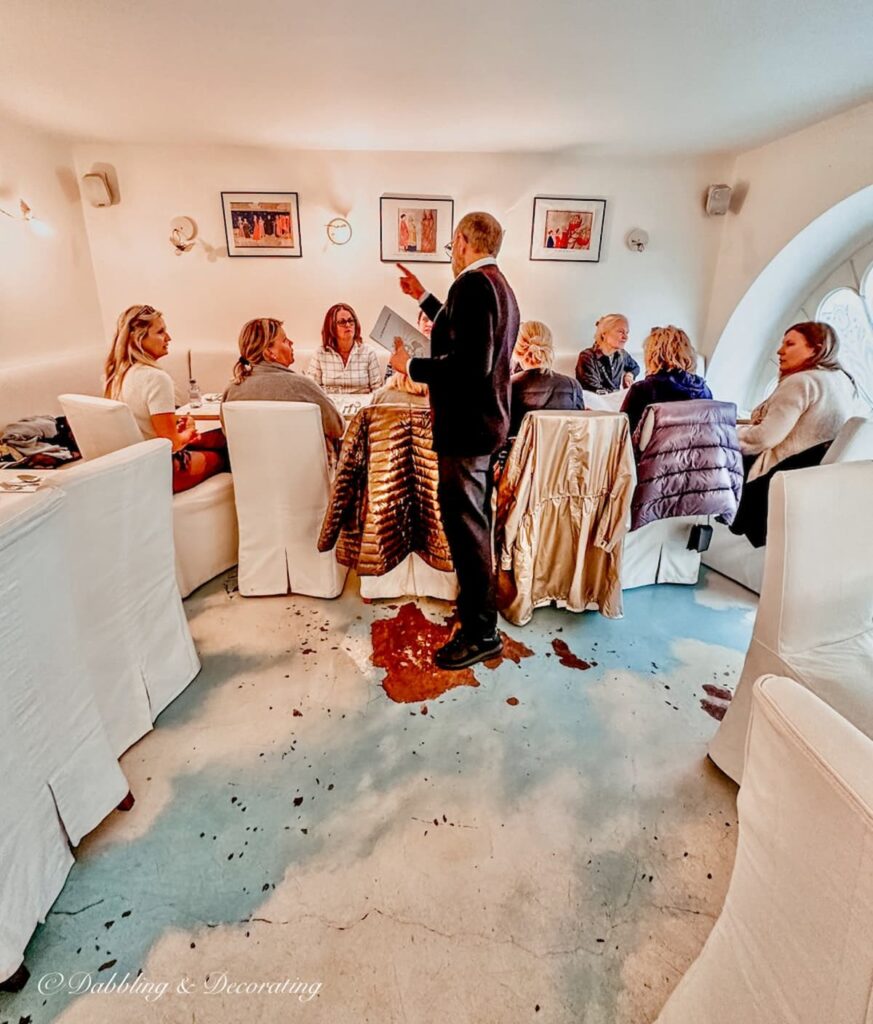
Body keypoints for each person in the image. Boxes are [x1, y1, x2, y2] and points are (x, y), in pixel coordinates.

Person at [390, 211, 519, 670]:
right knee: (475, 527)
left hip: (466, 430)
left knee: (466, 532)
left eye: (451, 245)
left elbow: (469, 365)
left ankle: (482, 633)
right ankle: (476, 616)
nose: (451, 254)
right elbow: (464, 335)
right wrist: (423, 297)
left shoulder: (471, 286)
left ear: (462, 240)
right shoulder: (496, 284)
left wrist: (409, 367)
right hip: (486, 426)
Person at [731, 321, 866, 546]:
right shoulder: (843, 380)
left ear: (816, 349)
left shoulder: (802, 382)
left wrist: (725, 435)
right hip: (814, 479)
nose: (779, 351)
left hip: (776, 478)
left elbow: (765, 437)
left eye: (790, 344)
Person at [103, 304, 226, 493]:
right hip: (164, 470)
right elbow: (172, 444)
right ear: (138, 339)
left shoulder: (115, 377)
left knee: (217, 437)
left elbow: (139, 420)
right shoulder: (156, 378)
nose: (168, 338)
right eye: (161, 332)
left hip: (133, 468)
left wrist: (175, 423)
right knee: (226, 453)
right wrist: (189, 433)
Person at [222, 317, 344, 449]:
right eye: (285, 340)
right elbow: (337, 428)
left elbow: (228, 434)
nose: (291, 342)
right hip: (306, 468)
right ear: (269, 352)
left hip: (250, 468)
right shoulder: (303, 386)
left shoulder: (232, 390)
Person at [621, 325, 712, 435]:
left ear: (652, 354)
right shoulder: (704, 391)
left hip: (656, 451)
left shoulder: (642, 390)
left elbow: (623, 435)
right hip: (699, 452)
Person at [508, 320, 584, 437]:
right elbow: (578, 433)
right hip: (560, 454)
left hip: (518, 454)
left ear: (516, 350)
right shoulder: (573, 386)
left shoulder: (508, 386)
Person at [306, 304, 382, 394]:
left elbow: (378, 390)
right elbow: (312, 390)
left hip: (361, 405)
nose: (348, 325)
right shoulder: (320, 353)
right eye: (342, 322)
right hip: (331, 405)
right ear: (331, 327)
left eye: (351, 321)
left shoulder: (368, 352)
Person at [575, 314, 640, 393]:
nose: (625, 337)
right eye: (620, 332)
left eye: (627, 333)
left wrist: (629, 375)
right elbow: (595, 390)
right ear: (604, 334)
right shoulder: (587, 357)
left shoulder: (622, 354)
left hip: (615, 401)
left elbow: (635, 368)